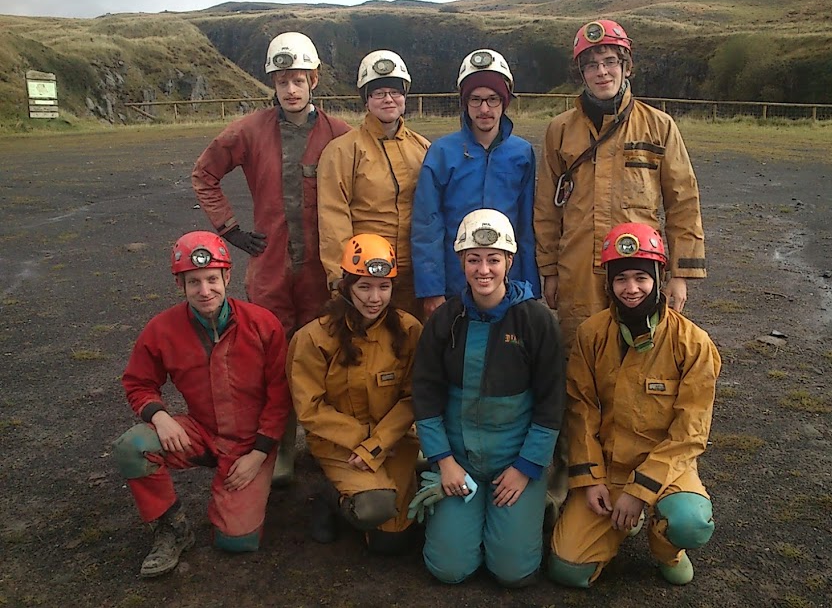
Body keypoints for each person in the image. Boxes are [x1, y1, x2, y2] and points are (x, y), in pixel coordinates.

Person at [192, 31, 351, 484]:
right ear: (273, 83)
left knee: (326, 355)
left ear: (314, 79)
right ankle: (278, 447)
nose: (291, 89)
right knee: (273, 360)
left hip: (322, 271)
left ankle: (325, 443)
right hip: (271, 270)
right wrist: (230, 230)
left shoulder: (340, 135)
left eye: (299, 79)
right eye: (282, 81)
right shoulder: (249, 131)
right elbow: (204, 174)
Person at [548, 222, 720, 588]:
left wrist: (640, 491)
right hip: (609, 470)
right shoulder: (591, 335)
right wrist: (590, 479)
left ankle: (667, 548)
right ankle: (619, 525)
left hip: (667, 471)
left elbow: (690, 433)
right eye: (621, 279)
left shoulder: (693, 344)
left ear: (658, 278)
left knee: (688, 521)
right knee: (567, 570)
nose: (631, 289)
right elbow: (581, 412)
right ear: (608, 284)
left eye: (641, 277)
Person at [112, 231, 290, 578]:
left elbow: (280, 395)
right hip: (203, 433)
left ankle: (241, 492)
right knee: (134, 446)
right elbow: (138, 383)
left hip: (251, 443)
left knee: (236, 541)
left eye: (211, 279)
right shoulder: (162, 329)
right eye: (193, 282)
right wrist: (160, 416)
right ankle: (172, 529)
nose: (204, 290)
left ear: (227, 277)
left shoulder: (263, 324)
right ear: (180, 284)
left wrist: (259, 454)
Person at [410, 209, 565, 586]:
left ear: (509, 261)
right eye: (473, 260)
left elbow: (551, 403)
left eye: (493, 260)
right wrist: (444, 461)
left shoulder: (536, 321)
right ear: (461, 261)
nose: (483, 270)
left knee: (514, 572)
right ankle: (463, 515)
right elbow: (426, 395)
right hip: (459, 462)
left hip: (514, 462)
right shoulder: (444, 320)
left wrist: (525, 468)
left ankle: (532, 504)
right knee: (449, 569)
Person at [534, 18, 707, 348]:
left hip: (638, 270)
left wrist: (680, 275)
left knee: (640, 353)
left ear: (626, 66)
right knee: (581, 352)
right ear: (581, 73)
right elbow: (546, 207)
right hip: (577, 272)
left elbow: (683, 202)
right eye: (591, 65)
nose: (602, 72)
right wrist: (550, 270)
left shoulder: (659, 126)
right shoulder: (560, 130)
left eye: (610, 61)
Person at [287, 234, 422, 554]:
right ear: (346, 286)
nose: (375, 298)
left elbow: (413, 397)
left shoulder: (409, 330)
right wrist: (365, 440)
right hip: (341, 445)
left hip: (392, 442)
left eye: (384, 287)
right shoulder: (314, 338)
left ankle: (381, 493)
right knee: (375, 508)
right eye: (364, 287)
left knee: (392, 542)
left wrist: (380, 442)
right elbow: (310, 409)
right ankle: (330, 497)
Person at [411, 49, 540, 320]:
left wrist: (530, 288)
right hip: (454, 284)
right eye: (476, 99)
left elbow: (527, 225)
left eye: (493, 99)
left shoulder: (522, 154)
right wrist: (432, 289)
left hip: (507, 284)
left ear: (504, 101)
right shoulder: (442, 153)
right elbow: (427, 224)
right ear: (465, 102)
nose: (484, 109)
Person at [317, 49, 429, 320]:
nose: (388, 99)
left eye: (395, 91)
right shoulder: (343, 150)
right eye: (378, 93)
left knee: (412, 340)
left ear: (405, 96)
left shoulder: (424, 149)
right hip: (365, 280)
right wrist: (340, 278)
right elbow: (333, 216)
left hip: (414, 278)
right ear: (366, 100)